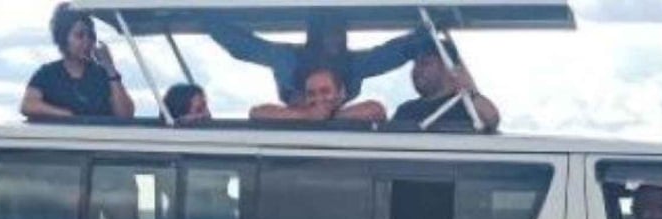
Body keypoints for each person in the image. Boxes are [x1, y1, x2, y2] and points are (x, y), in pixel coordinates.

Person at [208, 11, 422, 105]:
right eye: (329, 32)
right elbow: (245, 47)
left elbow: (389, 55)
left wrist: (430, 31)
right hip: (296, 132)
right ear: (315, 35)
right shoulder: (288, 59)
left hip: (340, 135)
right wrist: (205, 16)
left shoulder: (352, 65)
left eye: (340, 32)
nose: (336, 39)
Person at [21, 4, 135, 120]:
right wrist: (66, 115)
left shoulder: (102, 76)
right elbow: (28, 105)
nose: (87, 41)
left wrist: (110, 68)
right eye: (80, 36)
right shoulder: (47, 74)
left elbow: (125, 115)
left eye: (90, 36)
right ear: (63, 38)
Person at [392, 39, 500, 132]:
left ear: (449, 68)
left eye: (425, 63)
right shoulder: (406, 111)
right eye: (415, 64)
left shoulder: (469, 107)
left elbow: (492, 119)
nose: (416, 70)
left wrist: (469, 89)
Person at [249, 66, 387, 124]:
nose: (318, 99)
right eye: (311, 93)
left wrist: (329, 117)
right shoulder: (297, 117)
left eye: (325, 91)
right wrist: (307, 116)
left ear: (341, 93)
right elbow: (256, 113)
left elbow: (376, 109)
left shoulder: (353, 116)